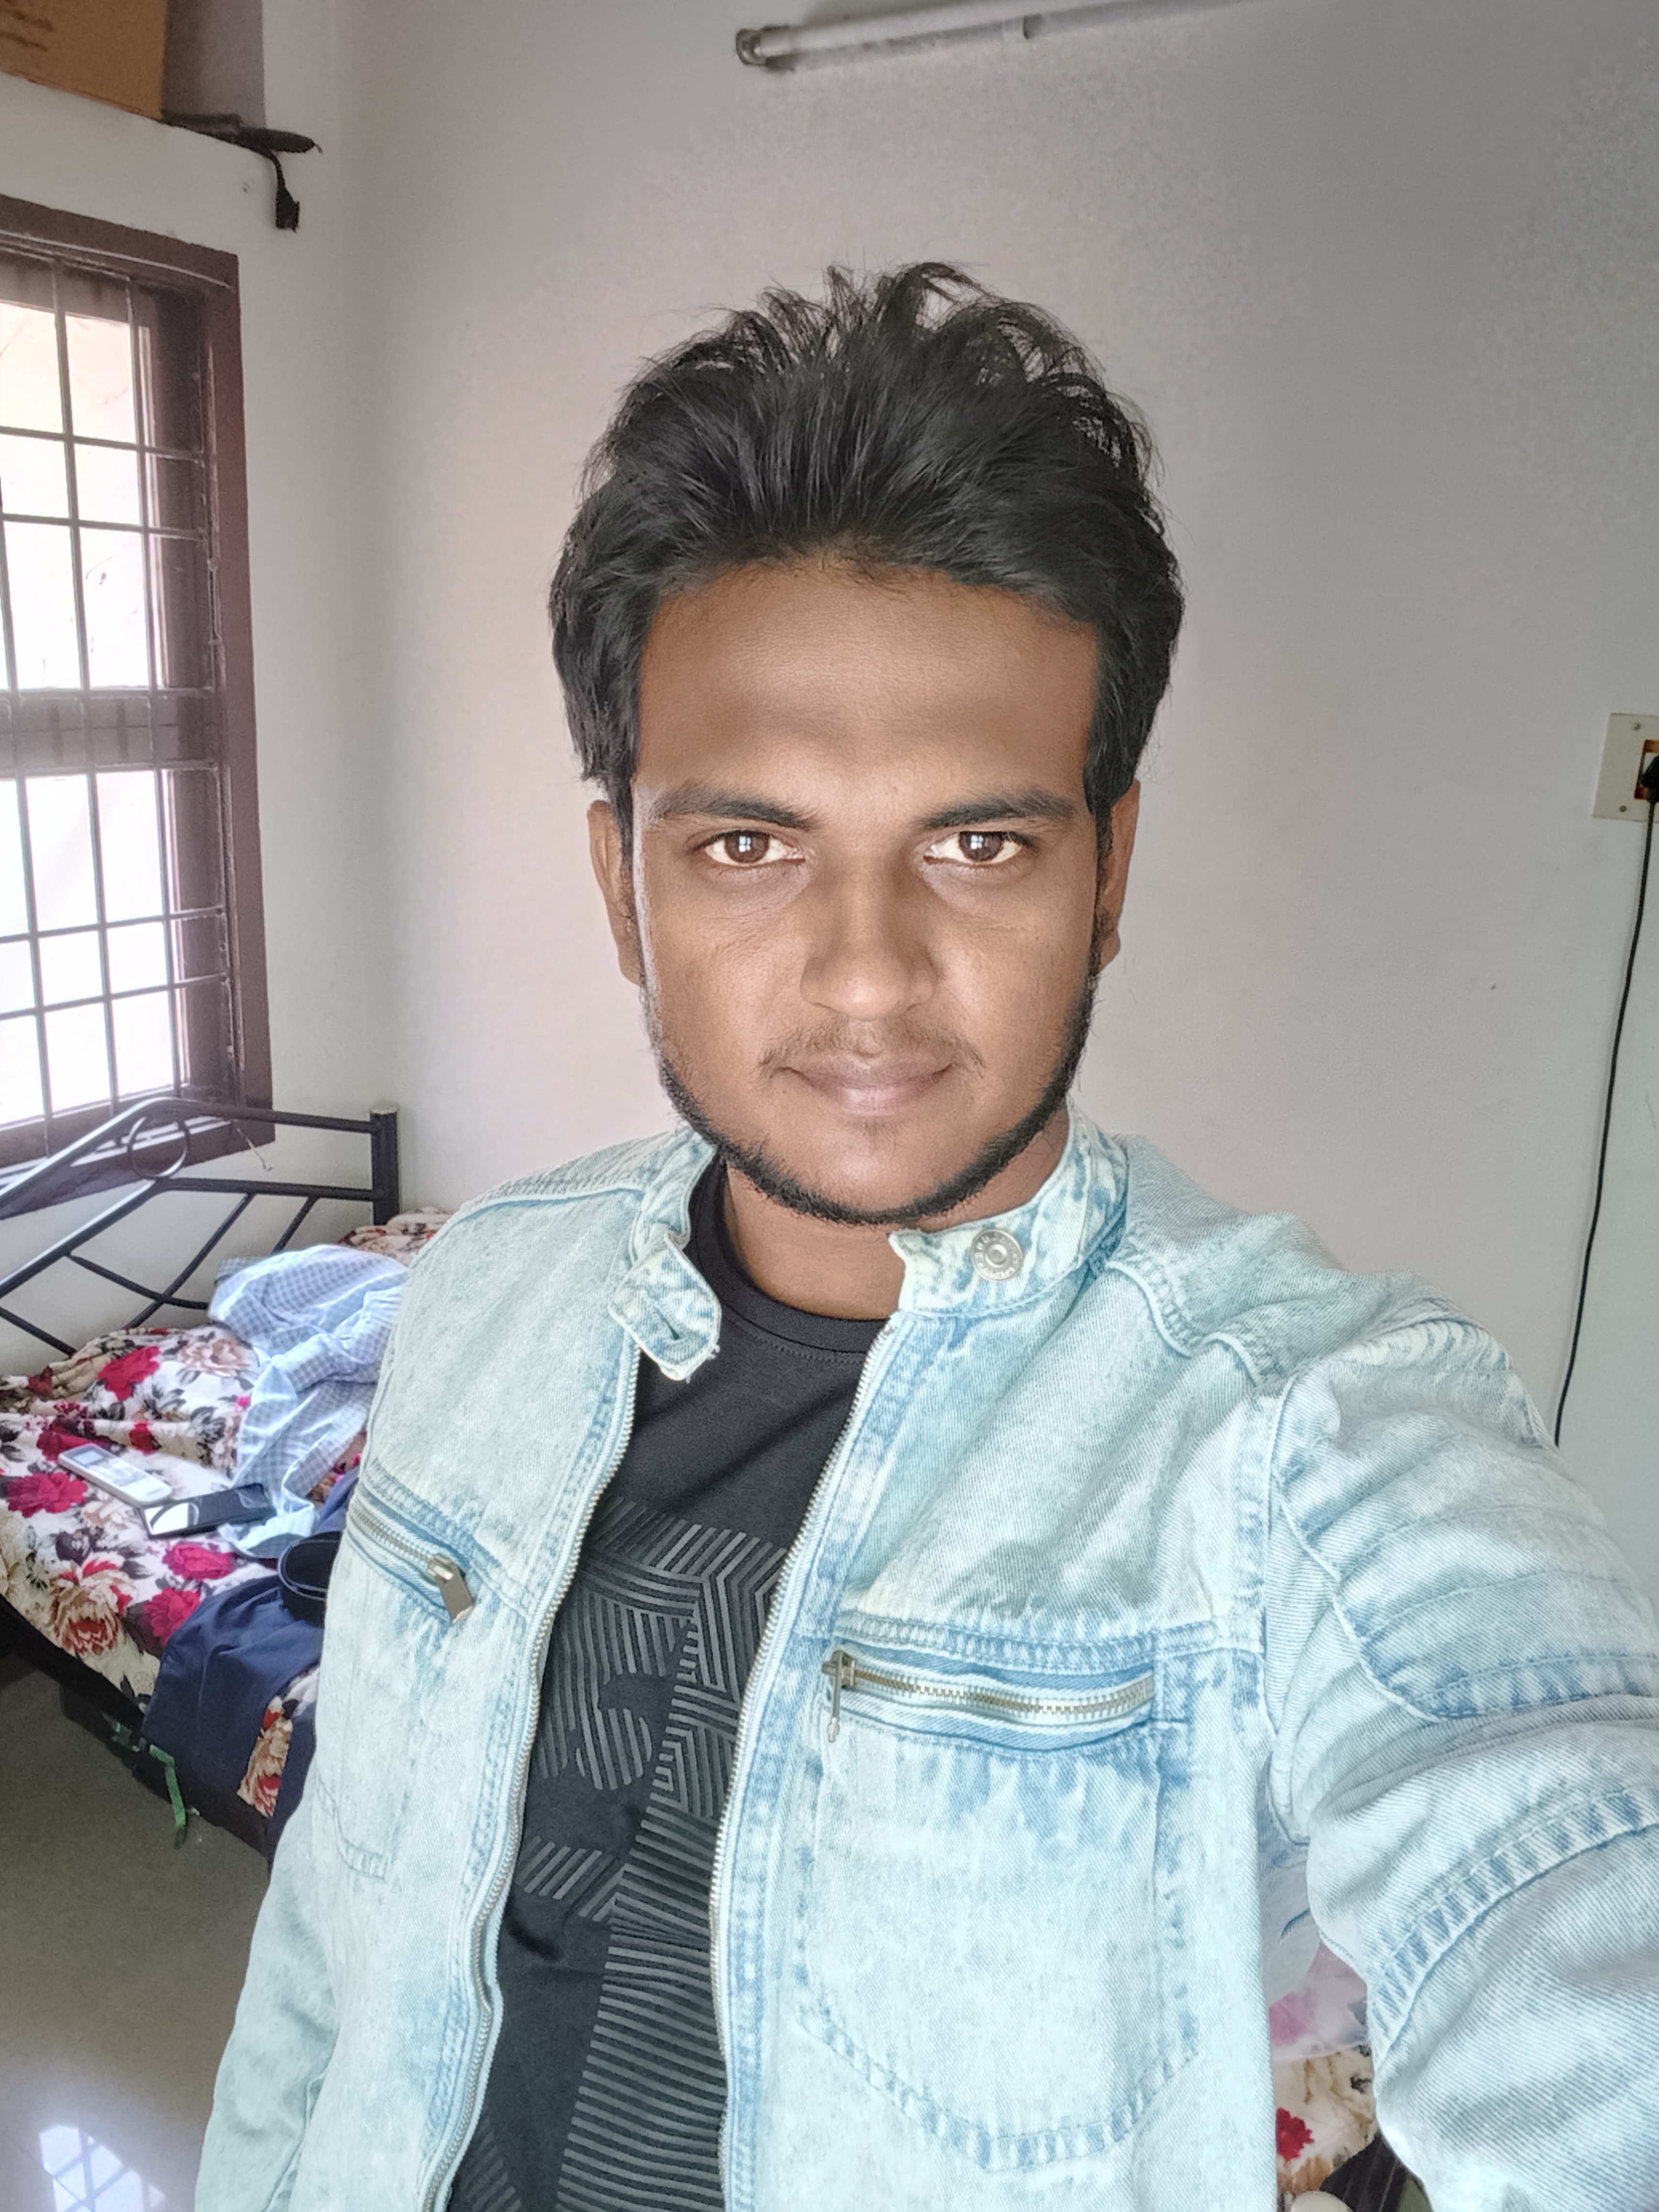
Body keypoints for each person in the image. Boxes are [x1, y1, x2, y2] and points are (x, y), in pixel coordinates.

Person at [198, 265, 1659, 2212]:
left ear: (1108, 871)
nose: (867, 974)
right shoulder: (477, 1294)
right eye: (748, 844)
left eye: (978, 844)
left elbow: (1572, 1906)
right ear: (621, 884)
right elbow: (330, 1943)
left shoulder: (1306, 1439)